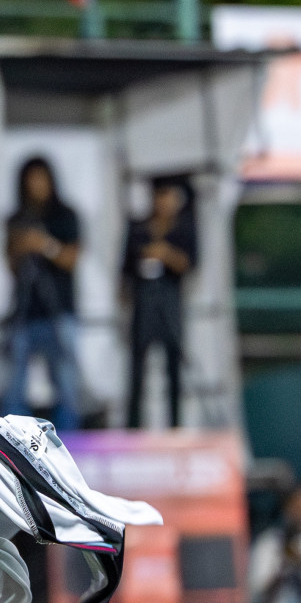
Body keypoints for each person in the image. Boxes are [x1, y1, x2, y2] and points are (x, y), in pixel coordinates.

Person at [1, 156, 82, 432]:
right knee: (13, 383)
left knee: (66, 382)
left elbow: (71, 259)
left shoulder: (65, 216)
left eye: (41, 179)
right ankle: (13, 441)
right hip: (25, 311)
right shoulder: (16, 219)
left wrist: (45, 245)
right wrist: (22, 248)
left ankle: (70, 441)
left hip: (58, 311)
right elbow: (10, 265)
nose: (36, 186)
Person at [122, 176, 197, 429]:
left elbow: (190, 265)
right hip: (143, 299)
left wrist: (166, 254)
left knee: (174, 367)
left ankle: (175, 427)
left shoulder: (184, 229)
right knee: (137, 370)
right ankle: (134, 428)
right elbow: (126, 269)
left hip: (170, 299)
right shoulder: (139, 228)